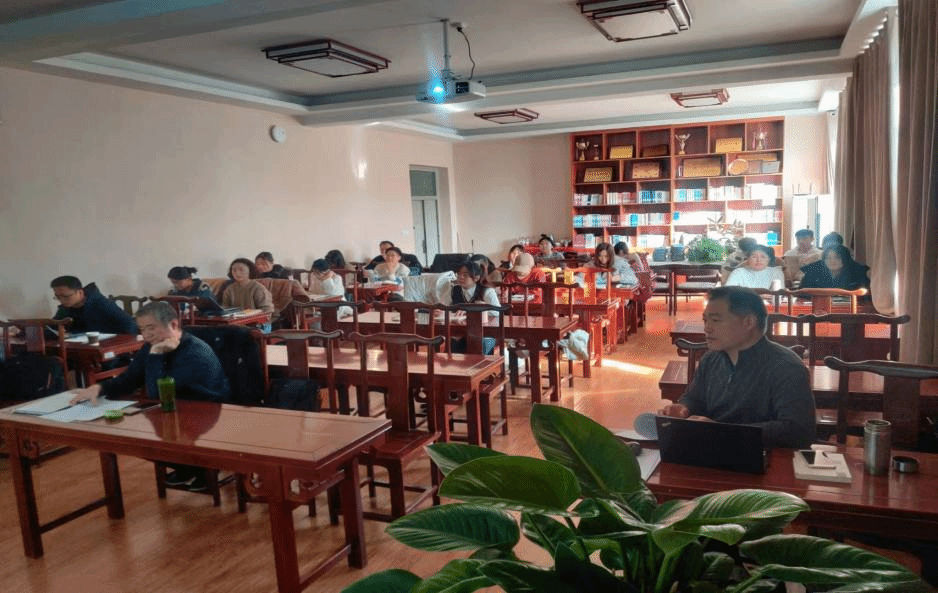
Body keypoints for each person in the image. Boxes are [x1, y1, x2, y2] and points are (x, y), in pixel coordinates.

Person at [69, 301, 230, 491]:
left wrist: (155, 355)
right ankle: (189, 467)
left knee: (144, 438)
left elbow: (157, 393)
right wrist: (99, 388)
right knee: (127, 435)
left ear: (173, 324)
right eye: (142, 329)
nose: (146, 335)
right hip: (174, 410)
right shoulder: (153, 345)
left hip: (206, 413)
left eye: (151, 328)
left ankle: (200, 466)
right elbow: (130, 379)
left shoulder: (194, 352)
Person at [658, 287, 816, 448]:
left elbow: (797, 431)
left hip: (763, 457)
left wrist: (722, 431)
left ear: (749, 322)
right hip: (712, 451)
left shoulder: (787, 367)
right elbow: (694, 399)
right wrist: (684, 408)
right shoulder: (711, 359)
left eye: (716, 320)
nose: (707, 328)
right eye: (705, 320)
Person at [50, 276, 138, 335]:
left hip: (107, 348)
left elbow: (129, 324)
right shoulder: (65, 308)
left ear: (80, 292)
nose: (61, 300)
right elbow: (53, 328)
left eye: (66, 296)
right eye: (58, 297)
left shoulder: (101, 304)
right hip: (80, 348)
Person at [450, 261, 500, 354]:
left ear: (476, 278)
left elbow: (497, 312)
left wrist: (473, 310)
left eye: (465, 275)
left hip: (485, 332)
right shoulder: (455, 290)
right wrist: (441, 310)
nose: (460, 277)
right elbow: (447, 306)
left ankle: (483, 363)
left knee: (484, 342)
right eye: (458, 274)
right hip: (461, 331)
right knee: (452, 342)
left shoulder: (486, 291)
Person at [799, 245, 871, 292]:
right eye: (828, 258)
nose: (832, 261)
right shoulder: (812, 273)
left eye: (837, 257)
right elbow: (802, 294)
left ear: (845, 259)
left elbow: (864, 296)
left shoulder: (858, 273)